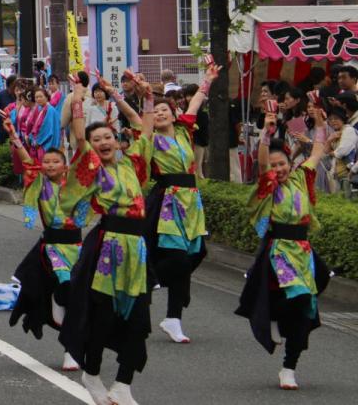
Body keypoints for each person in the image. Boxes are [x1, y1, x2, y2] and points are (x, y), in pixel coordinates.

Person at [59, 78, 152, 405]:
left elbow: (142, 128)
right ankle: (92, 372)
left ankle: (124, 384)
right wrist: (78, 97)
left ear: (117, 140)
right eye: (97, 139)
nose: (103, 142)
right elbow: (79, 136)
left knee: (139, 320)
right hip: (108, 246)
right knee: (102, 317)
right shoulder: (94, 167)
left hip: (137, 249)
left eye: (108, 137)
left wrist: (143, 98)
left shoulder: (132, 164)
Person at [235, 104, 331, 391]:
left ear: (290, 162)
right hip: (279, 251)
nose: (278, 169)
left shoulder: (301, 177)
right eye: (274, 165)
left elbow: (317, 152)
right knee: (299, 298)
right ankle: (273, 317)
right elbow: (263, 162)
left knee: (307, 307)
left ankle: (289, 367)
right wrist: (267, 132)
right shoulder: (269, 183)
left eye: (282, 164)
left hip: (303, 250)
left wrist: (320, 123)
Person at [130, 65, 219, 346]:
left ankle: (168, 308)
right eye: (156, 112)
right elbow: (136, 118)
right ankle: (157, 288)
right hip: (167, 201)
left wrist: (207, 80)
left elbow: (195, 102)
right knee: (178, 259)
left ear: (172, 113)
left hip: (191, 201)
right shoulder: (151, 139)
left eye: (164, 110)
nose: (160, 114)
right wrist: (141, 98)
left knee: (197, 253)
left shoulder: (184, 132)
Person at [5, 106, 82, 372]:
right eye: (46, 162)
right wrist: (14, 136)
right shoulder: (40, 182)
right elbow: (28, 161)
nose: (49, 165)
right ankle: (69, 348)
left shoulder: (76, 183)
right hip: (53, 248)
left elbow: (86, 154)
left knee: (80, 299)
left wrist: (78, 103)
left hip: (78, 247)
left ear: (65, 165)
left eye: (55, 162)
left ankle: (72, 344)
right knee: (65, 287)